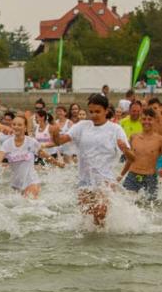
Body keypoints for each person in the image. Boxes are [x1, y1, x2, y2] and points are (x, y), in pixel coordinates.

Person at [49, 94, 130, 227]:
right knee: (87, 219)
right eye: (91, 111)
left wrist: (121, 171)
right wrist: (55, 133)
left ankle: (104, 244)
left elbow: (131, 156)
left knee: (100, 214)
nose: (93, 115)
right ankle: (90, 246)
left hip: (105, 180)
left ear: (106, 110)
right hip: (84, 180)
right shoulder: (82, 126)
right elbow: (59, 141)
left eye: (97, 111)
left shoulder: (116, 129)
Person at [0, 115, 53, 199]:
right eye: (14, 124)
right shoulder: (7, 144)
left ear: (25, 128)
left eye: (19, 125)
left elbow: (44, 155)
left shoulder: (31, 142)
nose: (16, 127)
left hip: (32, 181)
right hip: (16, 184)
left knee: (30, 204)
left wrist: (58, 163)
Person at [118, 108, 162, 203]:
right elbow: (130, 160)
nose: (146, 122)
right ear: (140, 120)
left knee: (148, 208)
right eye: (144, 119)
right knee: (126, 204)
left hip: (150, 178)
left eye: (150, 119)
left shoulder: (159, 140)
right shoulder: (134, 137)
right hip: (132, 176)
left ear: (154, 120)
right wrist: (121, 175)